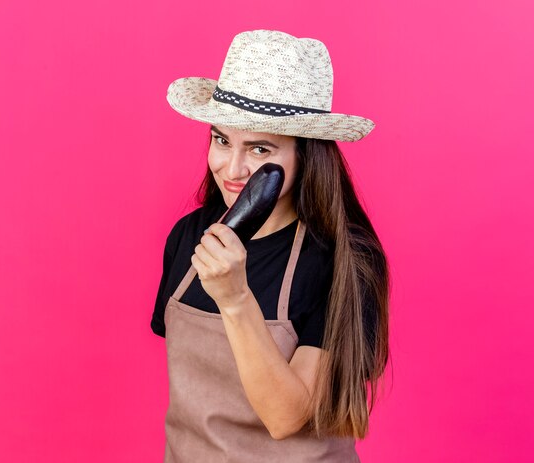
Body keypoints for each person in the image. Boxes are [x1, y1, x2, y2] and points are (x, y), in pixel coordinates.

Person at [151, 30, 390, 462]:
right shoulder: (188, 235)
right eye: (221, 140)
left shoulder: (346, 260)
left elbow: (285, 417)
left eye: (260, 148)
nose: (233, 167)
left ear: (306, 155)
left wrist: (236, 299)